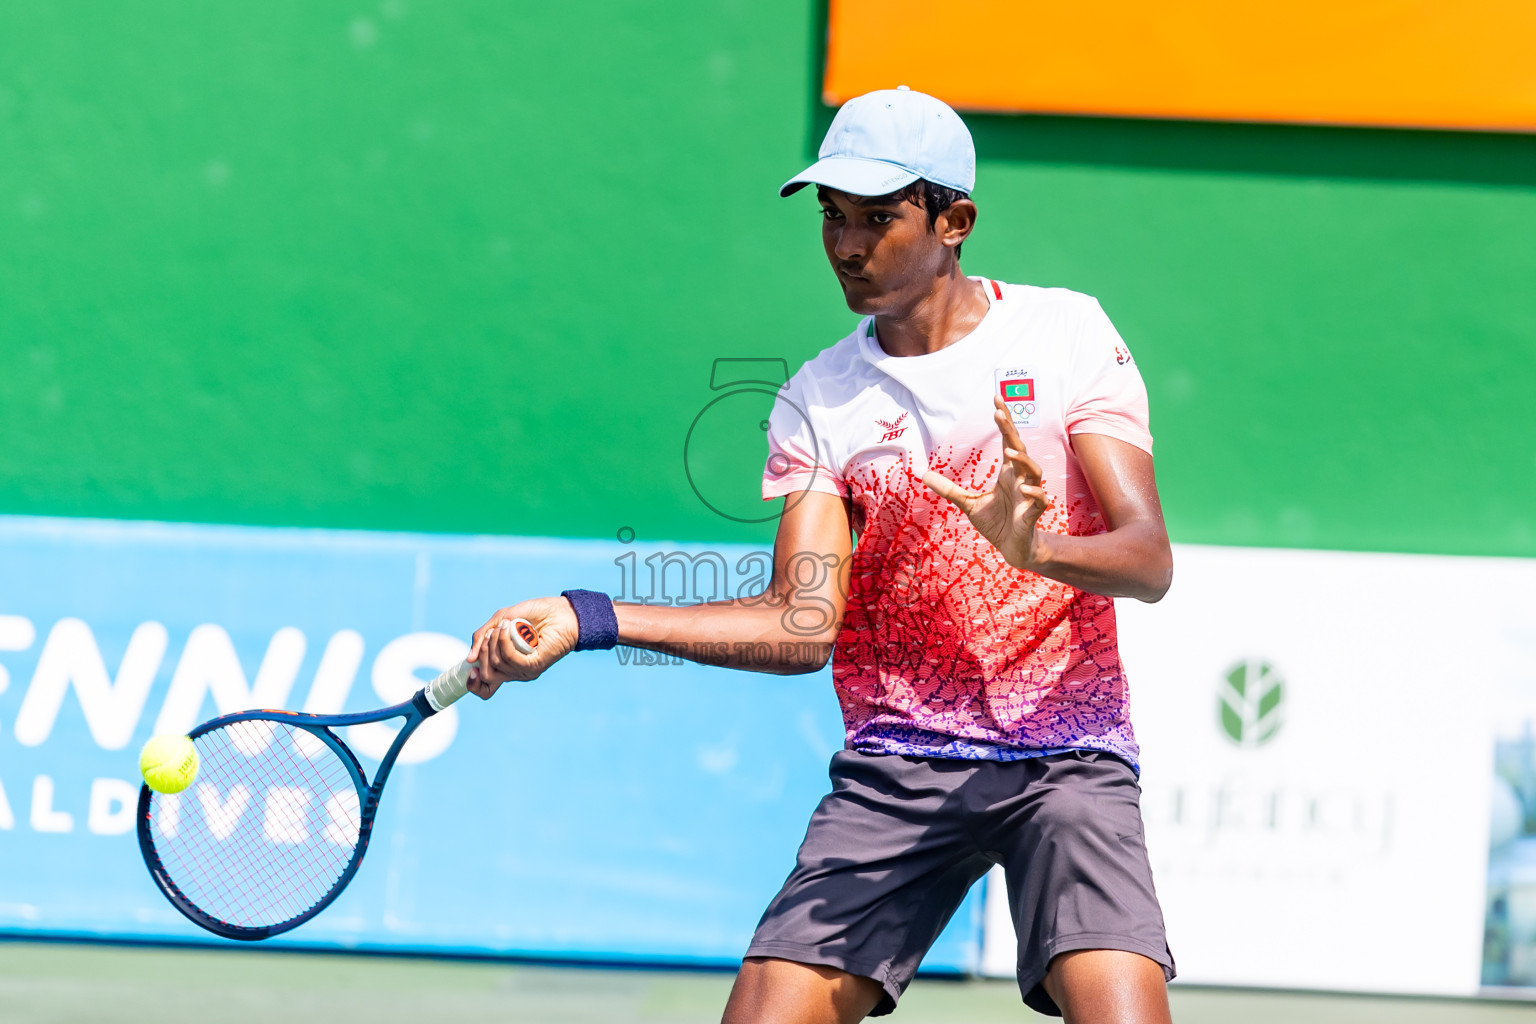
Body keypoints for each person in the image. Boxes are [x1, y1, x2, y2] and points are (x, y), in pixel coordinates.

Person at [465, 86, 1176, 1024]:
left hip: (1066, 755)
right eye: (832, 217)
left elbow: (1147, 561)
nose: (846, 244)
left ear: (954, 220)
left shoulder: (1066, 332)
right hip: (898, 766)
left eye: (879, 219)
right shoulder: (818, 399)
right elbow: (803, 626)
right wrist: (588, 616)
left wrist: (1034, 546)